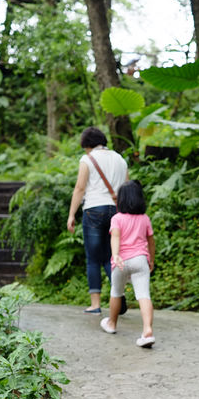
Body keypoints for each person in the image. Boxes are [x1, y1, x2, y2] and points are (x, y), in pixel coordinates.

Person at [67, 127, 129, 314]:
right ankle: (118, 297)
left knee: (93, 258)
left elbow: (80, 188)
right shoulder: (120, 158)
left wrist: (71, 214)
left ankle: (95, 305)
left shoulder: (87, 159)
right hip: (117, 211)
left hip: (94, 210)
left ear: (87, 145)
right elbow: (127, 187)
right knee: (113, 257)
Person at [100, 180, 156, 348]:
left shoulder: (117, 218)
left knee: (116, 292)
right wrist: (151, 259)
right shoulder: (144, 218)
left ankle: (112, 324)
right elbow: (151, 241)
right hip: (140, 260)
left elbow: (115, 237)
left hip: (121, 261)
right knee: (144, 295)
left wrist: (116, 255)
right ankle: (147, 331)